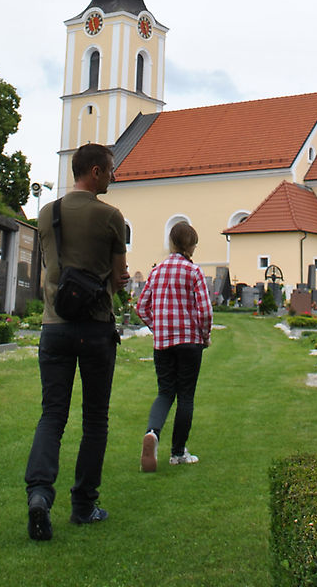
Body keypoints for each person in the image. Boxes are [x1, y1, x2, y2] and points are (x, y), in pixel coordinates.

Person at [25, 143, 130, 540]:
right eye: (111, 170)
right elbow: (118, 278)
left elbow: (50, 267)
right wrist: (117, 283)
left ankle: (39, 494)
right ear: (96, 172)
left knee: (52, 415)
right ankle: (84, 505)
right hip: (96, 327)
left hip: (54, 326)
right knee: (95, 419)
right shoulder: (110, 216)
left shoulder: (47, 213)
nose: (114, 176)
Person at [136, 221, 213, 472]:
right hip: (190, 341)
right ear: (191, 246)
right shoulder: (194, 272)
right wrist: (204, 335)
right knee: (186, 396)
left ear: (171, 242)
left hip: (164, 343)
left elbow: (141, 307)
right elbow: (205, 311)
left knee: (165, 393)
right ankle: (178, 452)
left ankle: (152, 432)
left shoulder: (157, 271)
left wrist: (157, 327)